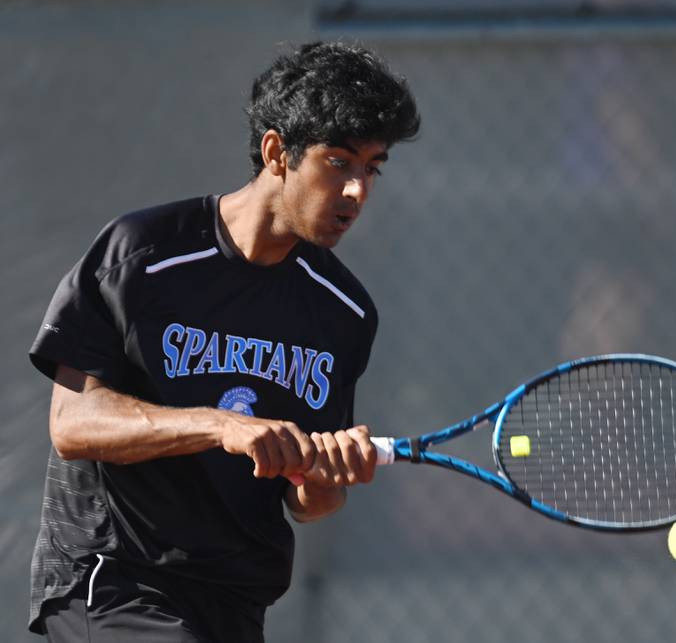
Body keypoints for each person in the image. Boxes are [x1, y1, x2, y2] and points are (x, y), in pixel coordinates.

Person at [27, 41, 420, 642]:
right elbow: (73, 425)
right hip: (114, 582)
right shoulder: (140, 255)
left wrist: (327, 475)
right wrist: (220, 425)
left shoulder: (344, 311)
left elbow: (309, 502)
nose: (357, 191)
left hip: (235, 602)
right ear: (276, 153)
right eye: (339, 162)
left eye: (373, 167)